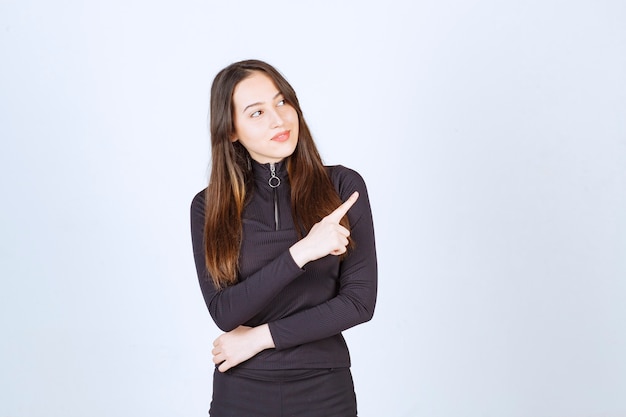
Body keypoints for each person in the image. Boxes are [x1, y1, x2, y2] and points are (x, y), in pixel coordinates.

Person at [190, 59, 377, 417]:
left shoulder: (342, 186)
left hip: (325, 390)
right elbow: (226, 312)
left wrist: (259, 339)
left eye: (281, 102)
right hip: (241, 392)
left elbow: (358, 303)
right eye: (256, 112)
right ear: (231, 130)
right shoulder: (208, 206)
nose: (278, 119)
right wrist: (302, 252)